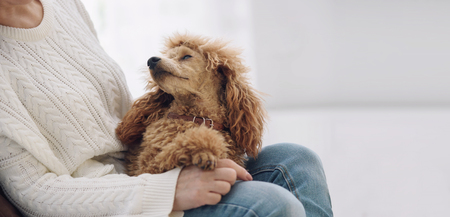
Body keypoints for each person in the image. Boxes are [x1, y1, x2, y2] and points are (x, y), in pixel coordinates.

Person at [0, 0, 333, 216]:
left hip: (141, 164)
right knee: (274, 205)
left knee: (297, 161)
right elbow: (35, 192)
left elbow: (106, 115)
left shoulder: (63, 5)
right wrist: (169, 190)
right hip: (113, 199)